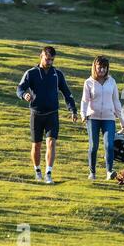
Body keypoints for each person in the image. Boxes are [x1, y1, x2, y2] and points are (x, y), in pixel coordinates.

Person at [17, 46, 78, 184]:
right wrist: (24, 95)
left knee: (51, 142)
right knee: (36, 145)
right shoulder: (31, 73)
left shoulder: (57, 74)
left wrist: (73, 110)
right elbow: (20, 88)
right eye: (47, 59)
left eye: (52, 59)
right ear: (41, 56)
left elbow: (67, 93)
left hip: (52, 114)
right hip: (36, 114)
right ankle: (37, 170)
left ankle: (48, 173)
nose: (49, 62)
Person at [80, 56, 124, 181]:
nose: (102, 70)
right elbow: (85, 100)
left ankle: (109, 171)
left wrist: (123, 121)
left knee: (109, 145)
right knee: (93, 146)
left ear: (107, 69)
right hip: (93, 118)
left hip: (109, 118)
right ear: (95, 67)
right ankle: (92, 172)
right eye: (99, 67)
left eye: (104, 68)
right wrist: (83, 114)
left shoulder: (112, 82)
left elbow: (116, 101)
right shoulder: (88, 82)